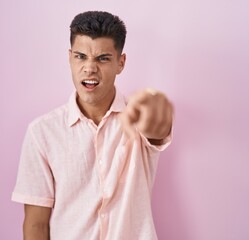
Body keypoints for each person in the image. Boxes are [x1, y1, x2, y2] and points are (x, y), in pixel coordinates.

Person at [12, 11, 173, 240]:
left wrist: (154, 103)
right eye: (80, 56)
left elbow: (157, 127)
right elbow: (36, 225)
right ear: (69, 58)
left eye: (102, 58)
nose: (89, 68)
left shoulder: (139, 120)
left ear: (121, 63)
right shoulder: (42, 133)